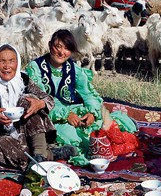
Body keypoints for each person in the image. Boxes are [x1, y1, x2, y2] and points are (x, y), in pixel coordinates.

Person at [23, 28, 135, 160]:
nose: (61, 52)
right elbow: (40, 98)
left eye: (67, 48)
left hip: (75, 110)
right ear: (49, 45)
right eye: (58, 47)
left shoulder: (74, 69)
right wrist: (66, 115)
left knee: (102, 127)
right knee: (73, 137)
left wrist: (92, 113)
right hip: (49, 115)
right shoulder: (35, 68)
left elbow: (89, 94)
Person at [0, 43, 55, 170]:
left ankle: (39, 154)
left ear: (17, 62)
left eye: (11, 61)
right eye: (2, 61)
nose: (7, 66)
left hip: (24, 134)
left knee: (30, 100)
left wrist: (39, 103)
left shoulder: (23, 79)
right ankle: (46, 156)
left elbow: (49, 99)